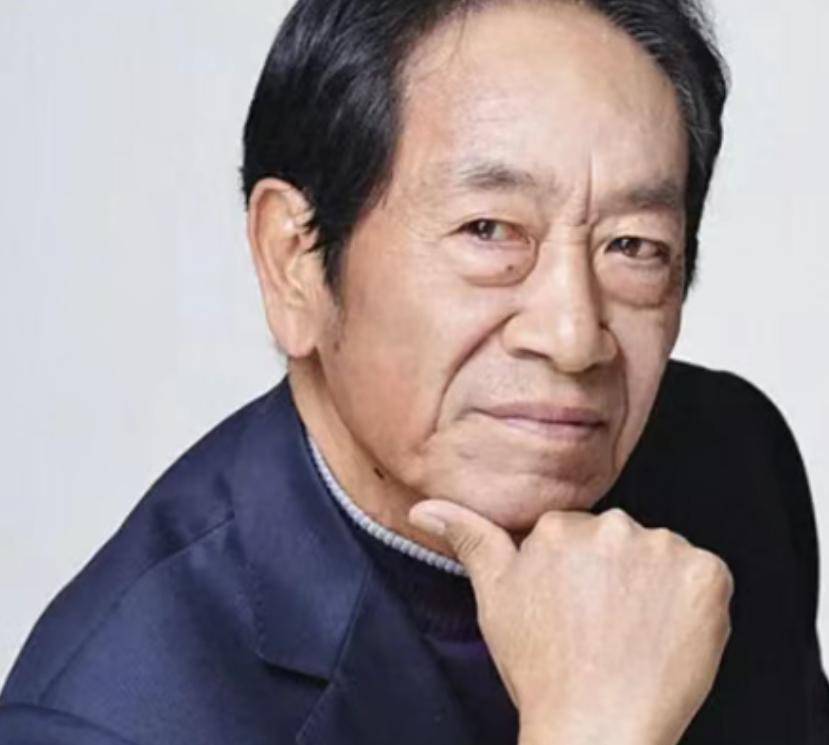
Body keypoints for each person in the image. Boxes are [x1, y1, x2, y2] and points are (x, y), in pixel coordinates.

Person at [1, 0, 827, 743]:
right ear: (295, 261)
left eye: (633, 245)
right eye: (489, 230)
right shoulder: (108, 718)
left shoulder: (731, 459)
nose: (573, 337)